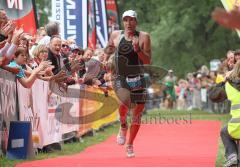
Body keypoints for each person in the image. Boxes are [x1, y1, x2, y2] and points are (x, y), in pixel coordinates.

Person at [107, 10, 151, 157]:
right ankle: (123, 125)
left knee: (137, 114)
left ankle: (130, 144)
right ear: (123, 21)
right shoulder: (116, 35)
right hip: (121, 77)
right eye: (125, 20)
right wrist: (105, 58)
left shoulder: (144, 37)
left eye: (131, 20)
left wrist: (137, 49)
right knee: (123, 103)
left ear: (136, 22)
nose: (128, 23)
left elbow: (147, 61)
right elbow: (109, 50)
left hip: (138, 77)